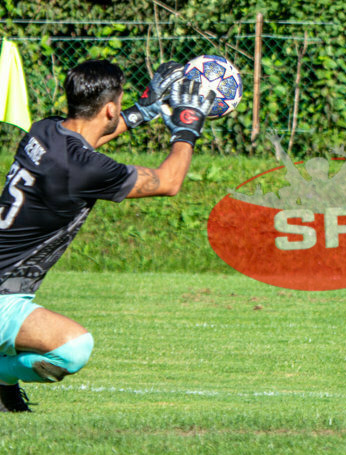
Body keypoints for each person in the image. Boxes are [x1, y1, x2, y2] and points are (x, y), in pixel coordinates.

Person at [0, 59, 215, 412]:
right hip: (2, 294)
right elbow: (169, 181)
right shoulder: (83, 168)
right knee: (72, 349)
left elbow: (90, 137)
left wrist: (147, 110)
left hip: (6, 287)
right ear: (110, 108)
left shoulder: (45, 130)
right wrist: (187, 126)